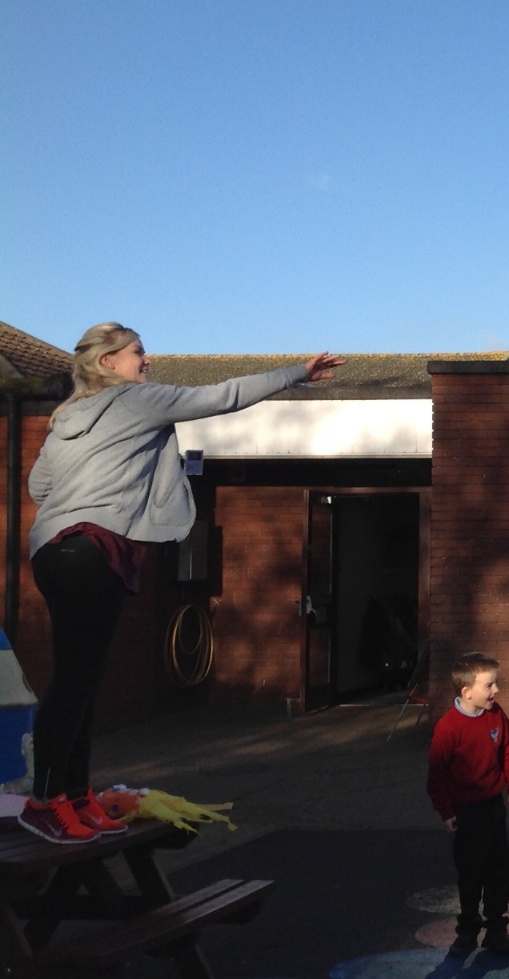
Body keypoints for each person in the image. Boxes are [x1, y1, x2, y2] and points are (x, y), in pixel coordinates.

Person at [23, 323, 341, 844]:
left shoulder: (65, 419)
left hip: (53, 553)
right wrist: (296, 373)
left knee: (81, 680)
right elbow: (222, 396)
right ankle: (43, 803)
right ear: (108, 362)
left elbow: (39, 486)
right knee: (77, 683)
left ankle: (75, 796)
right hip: (94, 550)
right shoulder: (137, 400)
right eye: (138, 352)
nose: (147, 360)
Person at [426, 652, 509, 958]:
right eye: (489, 685)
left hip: (493, 805)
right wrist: (446, 811)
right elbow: (437, 773)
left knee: (498, 869)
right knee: (471, 872)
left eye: (496, 684)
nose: (496, 690)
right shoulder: (448, 727)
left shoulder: (496, 715)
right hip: (466, 810)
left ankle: (496, 930)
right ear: (467, 691)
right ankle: (467, 930)